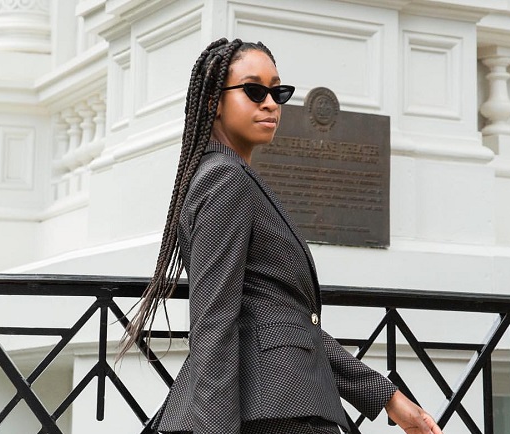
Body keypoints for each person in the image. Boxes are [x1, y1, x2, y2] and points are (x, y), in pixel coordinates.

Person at [122, 38, 444, 434]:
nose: (271, 103)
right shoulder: (226, 180)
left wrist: (386, 397)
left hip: (284, 404)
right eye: (254, 91)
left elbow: (285, 322)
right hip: (272, 412)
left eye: (278, 92)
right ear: (213, 103)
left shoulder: (234, 178)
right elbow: (214, 322)